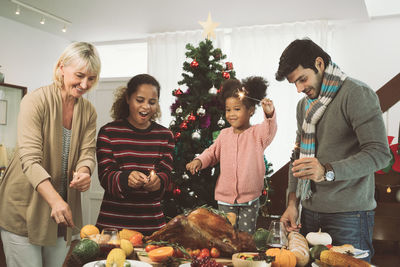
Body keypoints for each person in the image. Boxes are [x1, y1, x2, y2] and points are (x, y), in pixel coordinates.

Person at [276, 38, 391, 262]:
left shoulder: (356, 94)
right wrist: (292, 204)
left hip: (350, 217)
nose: (299, 89)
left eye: (302, 79)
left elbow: (379, 153)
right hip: (309, 215)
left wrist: (327, 171)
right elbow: (297, 157)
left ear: (319, 63)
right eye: (294, 84)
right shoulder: (304, 106)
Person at [0, 42, 101, 267]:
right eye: (79, 75)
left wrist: (85, 171)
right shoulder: (35, 101)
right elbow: (29, 159)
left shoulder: (88, 111)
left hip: (62, 213)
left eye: (92, 78)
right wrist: (56, 200)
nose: (85, 84)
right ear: (61, 67)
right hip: (23, 209)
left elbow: (87, 152)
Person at [186, 76, 277, 234]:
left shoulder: (257, 134)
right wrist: (199, 161)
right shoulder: (224, 134)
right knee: (227, 234)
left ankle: (243, 258)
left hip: (250, 198)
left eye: (237, 109)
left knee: (245, 236)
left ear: (250, 110)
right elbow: (212, 153)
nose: (231, 114)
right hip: (225, 199)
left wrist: (269, 114)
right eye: (228, 110)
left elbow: (270, 130)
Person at [95, 74, 174, 236]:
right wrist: (125, 178)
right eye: (140, 100)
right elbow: (104, 176)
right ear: (127, 99)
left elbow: (167, 175)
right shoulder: (108, 132)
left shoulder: (165, 135)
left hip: (152, 229)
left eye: (152, 102)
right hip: (113, 227)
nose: (146, 107)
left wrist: (158, 182)